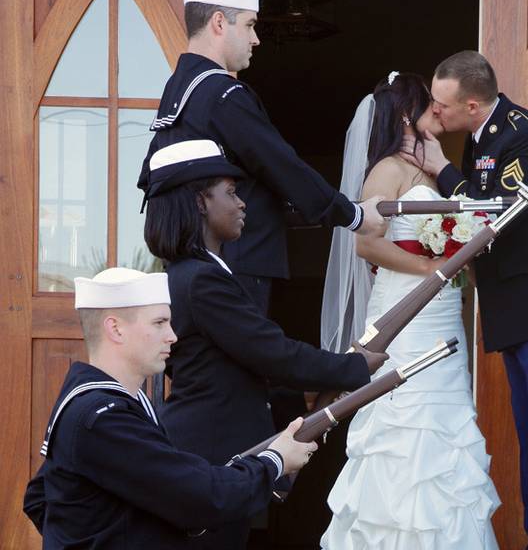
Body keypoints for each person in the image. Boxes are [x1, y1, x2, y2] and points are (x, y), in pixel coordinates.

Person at [142, 138, 389, 548]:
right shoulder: (202, 280)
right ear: (200, 202)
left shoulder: (193, 273)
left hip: (213, 450)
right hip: (210, 452)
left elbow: (240, 362)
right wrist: (355, 367)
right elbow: (271, 352)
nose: (242, 204)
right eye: (231, 193)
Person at [401, 52, 528, 549]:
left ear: (472, 104)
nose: (436, 112)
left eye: (440, 104)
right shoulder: (482, 136)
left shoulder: (525, 135)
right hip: (517, 308)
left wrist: (445, 171)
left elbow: (499, 214)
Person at [320, 72, 500, 549]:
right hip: (404, 316)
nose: (438, 113)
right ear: (407, 115)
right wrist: (428, 267)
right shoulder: (387, 170)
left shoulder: (436, 170)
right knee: (403, 432)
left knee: (448, 431)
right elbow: (365, 244)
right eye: (429, 106)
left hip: (443, 314)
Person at [137, 0, 386, 313]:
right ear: (219, 23)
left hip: (191, 258)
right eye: (250, 25)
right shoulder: (222, 94)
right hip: (238, 258)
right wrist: (353, 215)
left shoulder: (178, 90)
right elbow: (281, 166)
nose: (256, 40)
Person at [21, 267, 318, 548]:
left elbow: (39, 497)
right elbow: (202, 498)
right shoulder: (100, 416)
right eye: (159, 322)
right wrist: (276, 460)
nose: (172, 336)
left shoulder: (112, 404)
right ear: (116, 329)